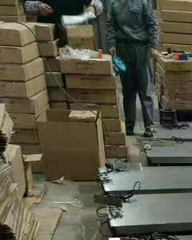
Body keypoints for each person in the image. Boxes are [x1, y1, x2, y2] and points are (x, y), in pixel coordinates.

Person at [106, 0, 159, 137]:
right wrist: (111, 44)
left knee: (145, 89)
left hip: (141, 49)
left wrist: (153, 45)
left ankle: (149, 126)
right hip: (123, 50)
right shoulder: (114, 3)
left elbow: (152, 23)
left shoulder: (143, 2)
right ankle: (129, 127)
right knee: (128, 90)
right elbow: (110, 24)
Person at [23, 0, 103, 45]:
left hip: (76, 36)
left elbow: (97, 3)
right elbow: (25, 5)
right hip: (48, 37)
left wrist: (92, 8)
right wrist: (38, 7)